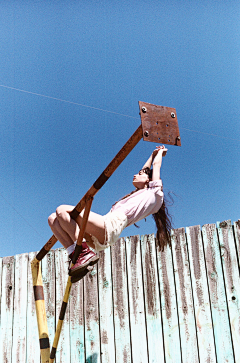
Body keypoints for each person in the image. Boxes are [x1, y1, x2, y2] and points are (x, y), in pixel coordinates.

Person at [48, 145, 172, 282]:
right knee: (52, 219)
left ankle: (83, 252)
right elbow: (146, 169)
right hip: (102, 232)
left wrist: (160, 152)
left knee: (61, 210)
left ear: (149, 180)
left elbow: (156, 166)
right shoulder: (141, 194)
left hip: (112, 226)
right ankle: (75, 254)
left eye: (140, 174)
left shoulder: (155, 193)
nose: (135, 175)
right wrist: (152, 155)